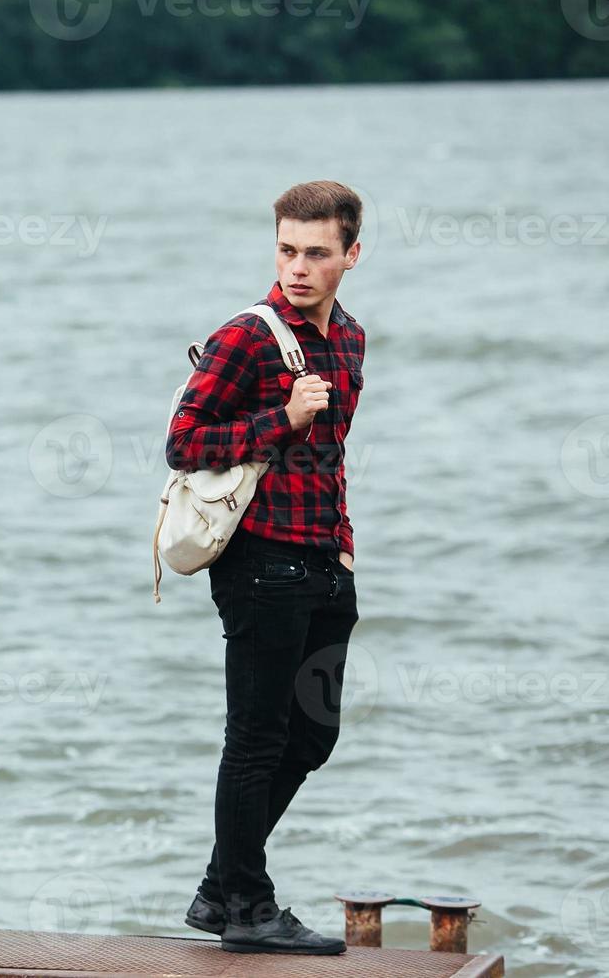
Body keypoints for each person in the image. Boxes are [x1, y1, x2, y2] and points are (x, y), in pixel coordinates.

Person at [163, 180, 366, 955]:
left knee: (312, 737)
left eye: (317, 253)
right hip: (258, 563)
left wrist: (344, 546)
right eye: (286, 250)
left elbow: (333, 455)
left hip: (325, 559)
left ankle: (221, 887)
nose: (298, 268)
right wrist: (280, 417)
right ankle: (248, 908)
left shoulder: (349, 340)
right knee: (254, 738)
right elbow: (184, 445)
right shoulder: (245, 338)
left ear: (351, 255)